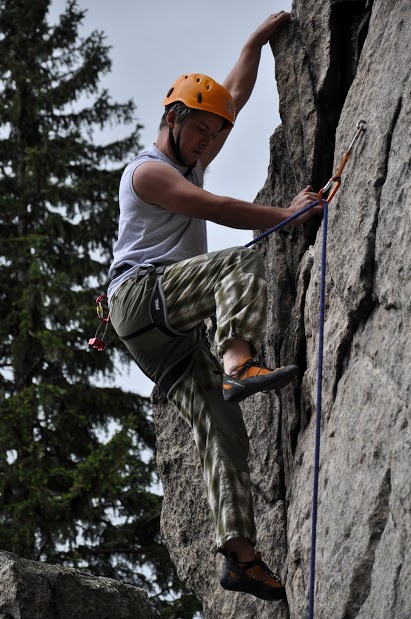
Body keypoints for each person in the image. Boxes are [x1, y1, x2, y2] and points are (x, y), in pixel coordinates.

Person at [107, 11, 322, 602]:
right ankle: (238, 363)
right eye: (200, 129)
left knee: (224, 432)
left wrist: (255, 40)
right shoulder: (147, 173)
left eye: (213, 132)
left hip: (161, 336)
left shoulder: (189, 153)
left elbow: (238, 95)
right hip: (140, 298)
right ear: (171, 120)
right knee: (238, 257)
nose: (209, 140)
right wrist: (286, 216)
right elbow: (217, 209)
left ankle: (241, 557)